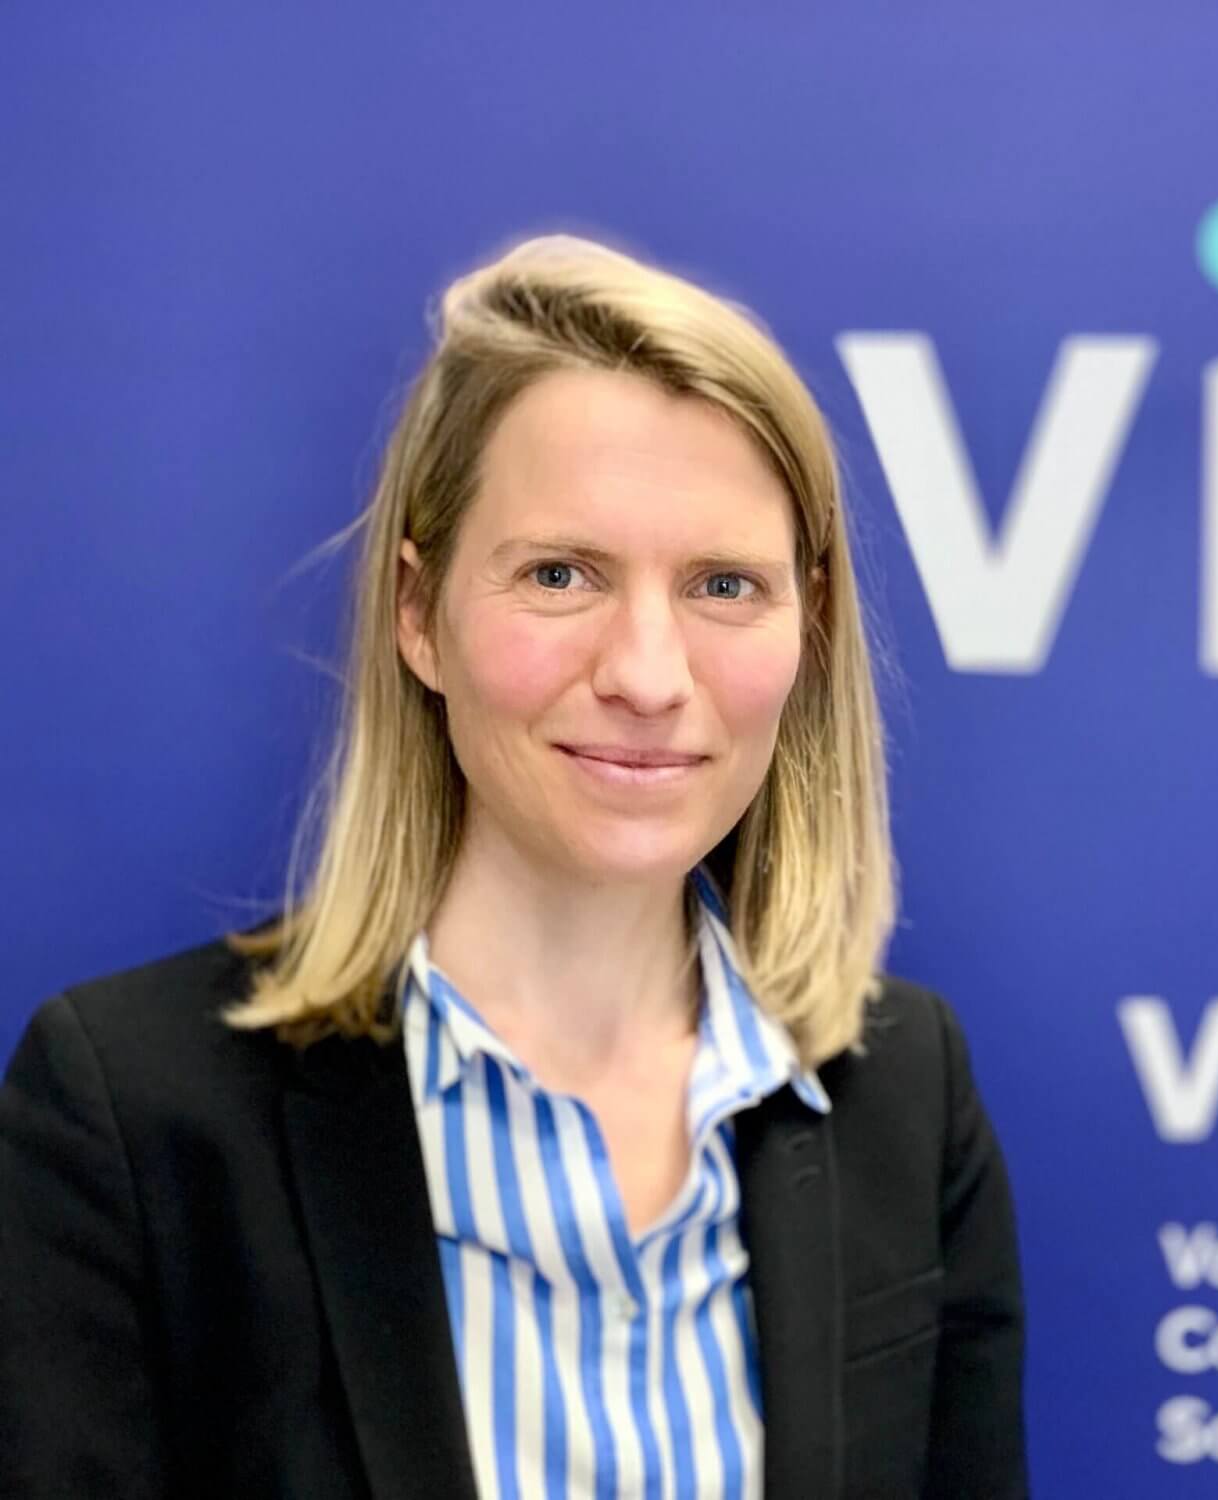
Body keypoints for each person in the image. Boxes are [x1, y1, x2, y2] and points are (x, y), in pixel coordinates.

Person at [0, 235, 1027, 1499]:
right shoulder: (134, 1116)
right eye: (559, 574)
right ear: (418, 614)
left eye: (723, 584)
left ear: (808, 629)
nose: (647, 675)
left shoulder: (904, 1095)